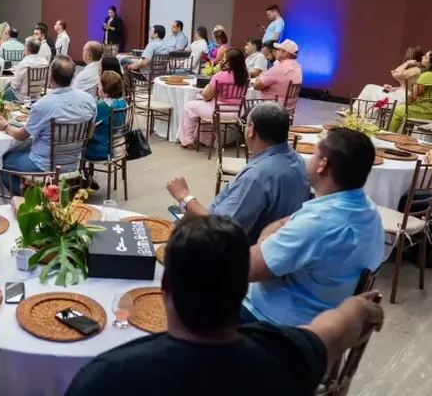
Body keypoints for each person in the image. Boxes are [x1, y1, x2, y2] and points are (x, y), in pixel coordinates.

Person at [65, 213, 385, 396]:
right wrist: (362, 308)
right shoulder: (284, 357)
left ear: (164, 287)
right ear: (244, 284)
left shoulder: (107, 378)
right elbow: (334, 330)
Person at [243, 128, 384, 327]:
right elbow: (287, 223)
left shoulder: (320, 223)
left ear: (322, 165)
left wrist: (267, 239)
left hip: (276, 327)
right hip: (326, 320)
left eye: (314, 155)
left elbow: (245, 269)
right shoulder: (366, 209)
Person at [167, 102, 310, 242]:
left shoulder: (257, 177)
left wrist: (184, 196)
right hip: (277, 244)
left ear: (252, 129)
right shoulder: (297, 160)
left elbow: (220, 231)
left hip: (240, 254)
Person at [0, 56, 96, 175]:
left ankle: (41, 192)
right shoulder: (89, 100)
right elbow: (89, 134)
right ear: (73, 76)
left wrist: (6, 126)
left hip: (44, 165)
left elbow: (21, 136)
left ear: (50, 77)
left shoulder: (43, 104)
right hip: (74, 162)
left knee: (4, 160)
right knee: (26, 149)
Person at [177, 48, 249, 148]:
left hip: (219, 111)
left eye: (224, 58)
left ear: (229, 62)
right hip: (238, 112)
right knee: (202, 108)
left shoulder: (220, 76)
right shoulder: (245, 76)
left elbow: (206, 95)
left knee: (190, 107)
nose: (222, 60)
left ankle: (187, 141)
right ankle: (204, 140)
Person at [356, 46, 424, 104]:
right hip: (399, 93)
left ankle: (357, 113)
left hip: (403, 98)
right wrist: (393, 88)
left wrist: (407, 63)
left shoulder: (416, 70)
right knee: (369, 88)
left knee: (371, 92)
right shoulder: (412, 70)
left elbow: (396, 73)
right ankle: (357, 113)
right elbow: (407, 86)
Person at [85, 70, 128, 162]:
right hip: (119, 145)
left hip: (101, 149)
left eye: (100, 85)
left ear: (106, 87)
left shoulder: (103, 106)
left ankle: (81, 173)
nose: (98, 87)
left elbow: (89, 132)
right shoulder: (123, 102)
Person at [389, 50, 432, 132]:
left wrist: (405, 103)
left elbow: (413, 96)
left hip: (427, 111)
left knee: (398, 110)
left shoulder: (427, 75)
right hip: (427, 109)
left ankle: (388, 135)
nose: (422, 57)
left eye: (426, 57)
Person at [254, 40, 303, 108]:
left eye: (279, 50)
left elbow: (257, 86)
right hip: (287, 108)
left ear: (285, 53)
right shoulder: (298, 67)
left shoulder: (280, 68)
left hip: (271, 109)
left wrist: (259, 79)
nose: (276, 52)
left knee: (247, 104)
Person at [3, 37, 48, 102]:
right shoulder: (45, 62)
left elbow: (14, 85)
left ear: (27, 49)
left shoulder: (23, 64)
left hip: (23, 96)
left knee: (6, 91)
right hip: (38, 94)